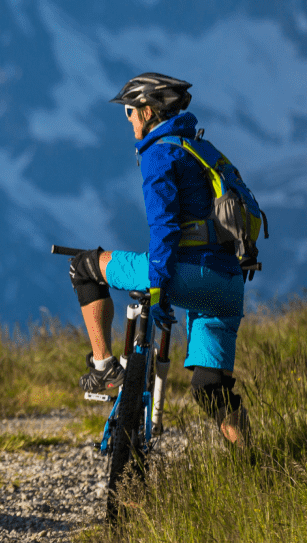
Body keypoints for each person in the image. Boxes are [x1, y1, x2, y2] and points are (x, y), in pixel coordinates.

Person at [68, 72, 254, 450]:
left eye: (130, 113)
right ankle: (253, 462)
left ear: (149, 112)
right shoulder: (203, 149)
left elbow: (165, 231)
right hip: (230, 283)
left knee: (85, 266)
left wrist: (157, 288)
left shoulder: (159, 154)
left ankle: (104, 368)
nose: (130, 121)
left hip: (189, 274)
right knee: (210, 387)